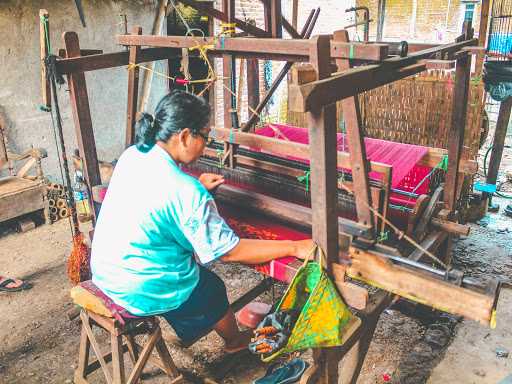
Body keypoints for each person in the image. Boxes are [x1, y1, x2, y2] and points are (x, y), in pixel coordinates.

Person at [90, 90, 313, 353]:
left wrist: (196, 186)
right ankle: (233, 341)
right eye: (205, 136)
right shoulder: (186, 192)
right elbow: (229, 253)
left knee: (190, 267)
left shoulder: (133, 155)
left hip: (107, 271)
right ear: (185, 136)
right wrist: (294, 247)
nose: (206, 145)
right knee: (210, 287)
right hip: (138, 287)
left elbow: (155, 194)